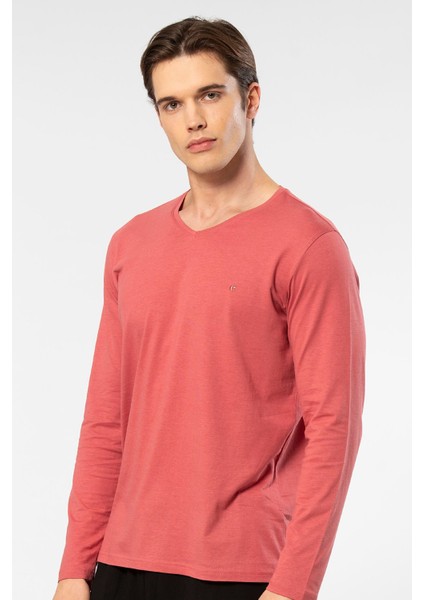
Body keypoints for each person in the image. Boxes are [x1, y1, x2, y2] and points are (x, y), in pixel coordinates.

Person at [52, 16, 366, 600]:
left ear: (251, 99)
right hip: (121, 563)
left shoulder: (309, 247)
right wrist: (74, 566)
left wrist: (293, 587)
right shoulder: (130, 245)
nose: (193, 119)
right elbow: (106, 420)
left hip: (244, 573)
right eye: (172, 104)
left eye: (210, 95)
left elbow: (334, 430)